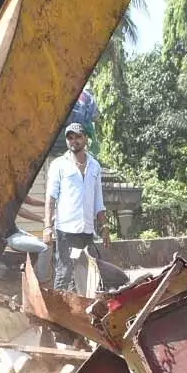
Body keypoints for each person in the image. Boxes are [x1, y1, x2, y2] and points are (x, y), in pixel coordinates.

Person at [44, 123, 108, 293]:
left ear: (86, 139)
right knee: (64, 271)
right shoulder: (58, 165)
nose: (74, 141)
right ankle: (57, 310)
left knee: (86, 274)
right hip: (65, 229)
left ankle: (82, 312)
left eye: (78, 137)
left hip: (86, 230)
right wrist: (47, 227)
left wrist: (105, 226)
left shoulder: (94, 166)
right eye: (70, 138)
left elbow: (98, 201)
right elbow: (50, 199)